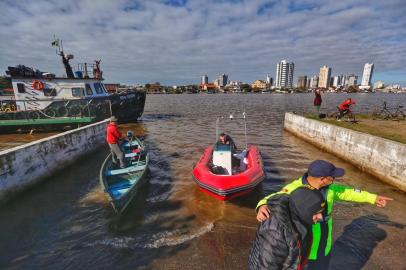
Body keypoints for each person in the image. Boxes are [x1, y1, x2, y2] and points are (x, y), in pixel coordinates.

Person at [256, 160, 393, 270]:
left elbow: (349, 192)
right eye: (332, 177)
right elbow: (275, 197)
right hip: (305, 248)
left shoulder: (330, 189)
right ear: (322, 178)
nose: (334, 179)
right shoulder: (295, 189)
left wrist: (373, 198)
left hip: (325, 246)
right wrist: (262, 205)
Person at [249, 186, 326, 270]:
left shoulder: (302, 216)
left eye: (321, 212)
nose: (321, 217)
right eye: (317, 213)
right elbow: (265, 266)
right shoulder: (275, 231)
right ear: (304, 210)